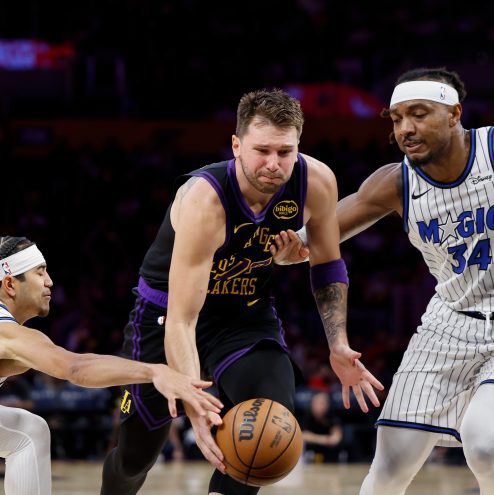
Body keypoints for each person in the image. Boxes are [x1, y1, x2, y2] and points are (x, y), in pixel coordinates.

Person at [100, 88, 384, 495]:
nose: (273, 163)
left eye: (285, 152)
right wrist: (195, 407)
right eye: (261, 150)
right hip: (165, 317)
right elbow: (181, 320)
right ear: (236, 145)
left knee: (266, 429)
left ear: (299, 146)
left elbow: (327, 266)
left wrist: (338, 345)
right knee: (135, 458)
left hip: (244, 313)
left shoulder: (316, 181)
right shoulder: (204, 200)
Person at [271, 67, 494, 494]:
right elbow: (317, 237)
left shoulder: (491, 150)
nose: (405, 129)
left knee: (486, 444)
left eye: (418, 114)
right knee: (389, 465)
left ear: (454, 114)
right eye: (396, 118)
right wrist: (291, 249)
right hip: (449, 322)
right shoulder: (395, 182)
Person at [0, 235, 222, 495]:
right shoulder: (8, 333)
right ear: (10, 284)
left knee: (30, 430)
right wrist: (154, 371)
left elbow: (79, 362)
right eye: (40, 273)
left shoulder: (18, 338)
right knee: (29, 432)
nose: (49, 281)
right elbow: (75, 368)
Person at [301, 391, 343, 463]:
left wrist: (331, 440)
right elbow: (303, 435)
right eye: (316, 403)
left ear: (327, 404)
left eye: (322, 403)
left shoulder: (332, 417)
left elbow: (336, 437)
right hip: (310, 452)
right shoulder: (306, 416)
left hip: (329, 454)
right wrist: (322, 439)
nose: (318, 406)